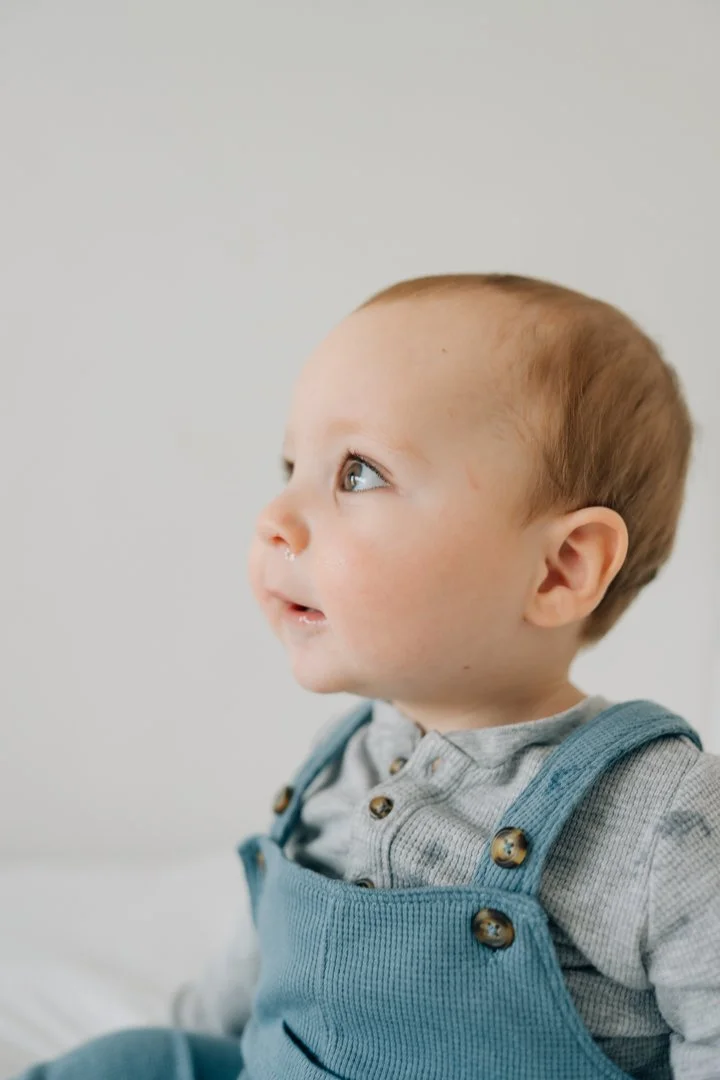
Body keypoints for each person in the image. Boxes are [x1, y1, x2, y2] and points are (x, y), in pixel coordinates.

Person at [14, 273, 720, 1080]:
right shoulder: (347, 755)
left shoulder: (662, 819)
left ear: (559, 570)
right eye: (290, 466)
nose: (274, 518)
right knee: (134, 1060)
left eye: (356, 473)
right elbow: (261, 969)